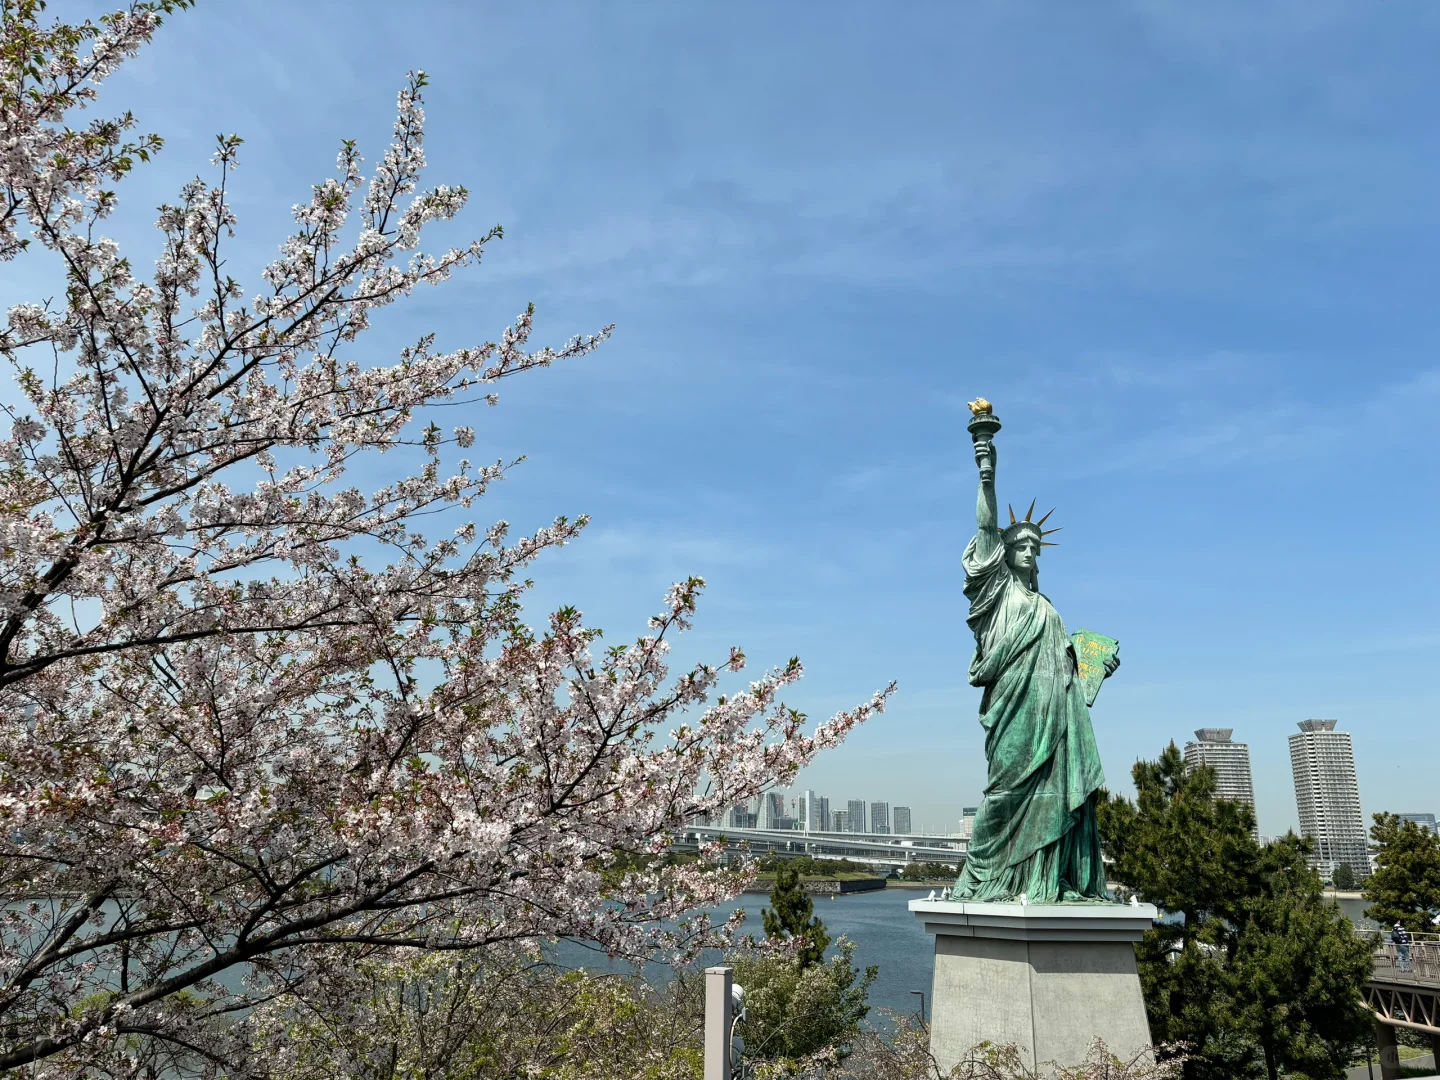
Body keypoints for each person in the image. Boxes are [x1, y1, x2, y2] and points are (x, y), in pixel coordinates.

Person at [950, 412, 1120, 903]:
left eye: (1033, 545)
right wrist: (987, 470)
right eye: (1019, 543)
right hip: (1014, 712)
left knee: (1052, 796)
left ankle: (1044, 880)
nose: (1027, 549)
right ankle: (989, 874)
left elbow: (1068, 671)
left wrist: (1091, 669)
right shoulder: (998, 592)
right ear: (1003, 554)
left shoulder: (1049, 609)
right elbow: (985, 526)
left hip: (1055, 718)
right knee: (1003, 796)